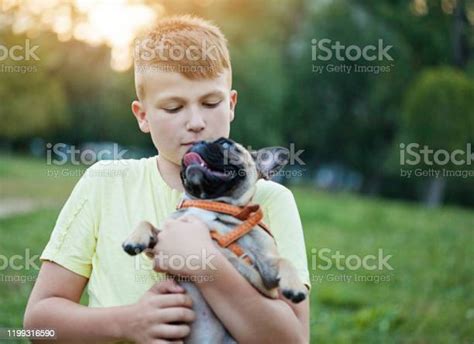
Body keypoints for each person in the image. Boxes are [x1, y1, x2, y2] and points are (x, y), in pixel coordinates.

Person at [24, 15, 311, 343]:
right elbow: (36, 325)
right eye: (174, 108)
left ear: (231, 104)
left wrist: (205, 263)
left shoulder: (271, 200)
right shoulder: (105, 183)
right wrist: (127, 323)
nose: (195, 122)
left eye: (211, 102)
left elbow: (295, 339)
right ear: (142, 116)